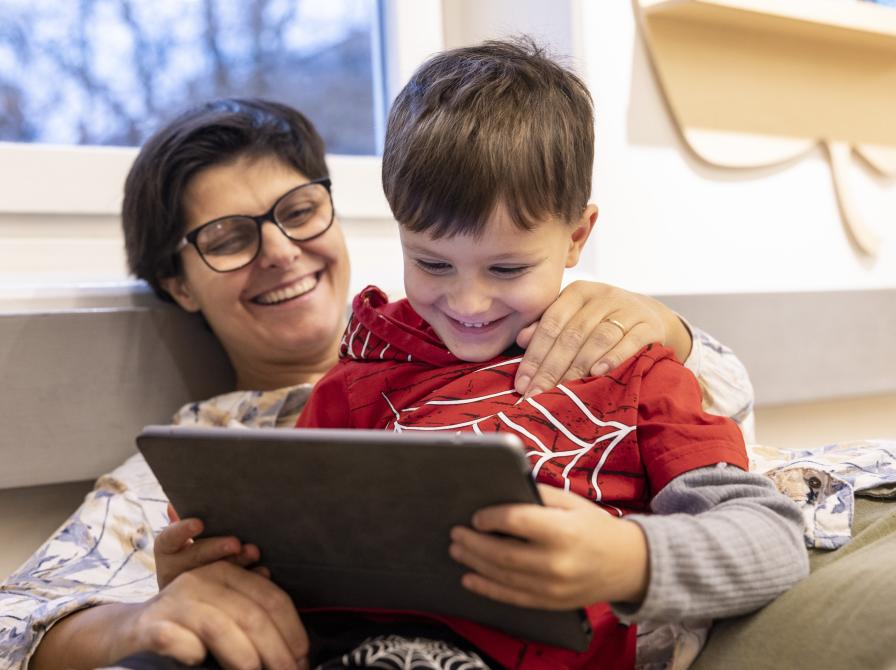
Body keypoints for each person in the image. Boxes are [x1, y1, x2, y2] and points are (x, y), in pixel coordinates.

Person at [0, 96, 754, 670]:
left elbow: (728, 437)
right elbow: (17, 620)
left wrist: (667, 329)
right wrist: (144, 619)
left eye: (298, 212)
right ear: (180, 284)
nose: (281, 251)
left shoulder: (538, 334)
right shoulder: (199, 449)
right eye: (228, 238)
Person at [289, 40, 805, 668]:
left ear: (576, 237)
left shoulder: (631, 371)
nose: (469, 302)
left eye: (506, 267)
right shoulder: (364, 377)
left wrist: (628, 560)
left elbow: (774, 539)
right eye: (431, 262)